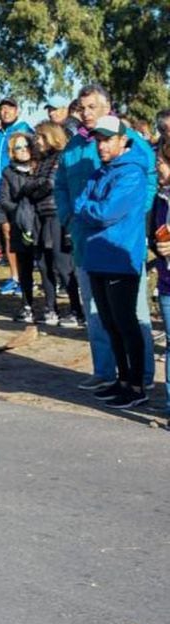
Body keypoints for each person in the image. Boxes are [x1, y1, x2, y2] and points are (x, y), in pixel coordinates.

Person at [55, 83, 155, 393]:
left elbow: (148, 180)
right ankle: (105, 371)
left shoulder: (130, 141)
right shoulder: (73, 146)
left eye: (91, 107)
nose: (85, 113)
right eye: (81, 108)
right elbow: (62, 186)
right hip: (86, 242)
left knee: (132, 316)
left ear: (106, 107)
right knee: (96, 313)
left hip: (119, 242)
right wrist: (69, 217)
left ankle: (142, 377)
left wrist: (133, 213)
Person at [72, 115, 151, 409]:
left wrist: (86, 209)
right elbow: (82, 203)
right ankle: (121, 380)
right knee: (110, 324)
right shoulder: (100, 172)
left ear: (122, 140)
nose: (101, 146)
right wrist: (88, 208)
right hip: (97, 256)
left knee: (125, 323)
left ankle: (137, 385)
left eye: (107, 140)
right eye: (99, 140)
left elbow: (106, 212)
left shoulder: (131, 173)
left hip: (120, 257)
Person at [27, 121, 84, 327]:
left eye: (40, 137)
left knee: (63, 264)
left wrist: (31, 187)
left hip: (56, 215)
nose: (37, 141)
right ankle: (51, 308)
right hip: (40, 214)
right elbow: (37, 185)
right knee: (43, 263)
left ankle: (77, 309)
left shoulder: (60, 157)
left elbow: (50, 184)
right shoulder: (42, 160)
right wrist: (34, 186)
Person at [0, 97, 35, 296]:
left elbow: (33, 155)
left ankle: (28, 276)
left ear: (17, 110)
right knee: (7, 234)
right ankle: (14, 277)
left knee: (24, 234)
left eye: (9, 108)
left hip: (19, 189)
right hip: (0, 191)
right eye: (2, 108)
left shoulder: (24, 129)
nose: (5, 112)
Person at [0, 132, 43, 323]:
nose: (23, 151)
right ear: (12, 151)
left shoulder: (40, 167)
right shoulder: (8, 172)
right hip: (20, 224)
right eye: (18, 147)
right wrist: (19, 211)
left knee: (46, 265)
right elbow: (3, 200)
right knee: (24, 267)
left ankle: (52, 306)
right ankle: (27, 305)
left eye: (26, 146)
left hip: (41, 221)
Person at [149, 140, 170, 425]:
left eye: (162, 162)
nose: (157, 167)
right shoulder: (160, 198)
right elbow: (156, 236)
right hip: (167, 282)